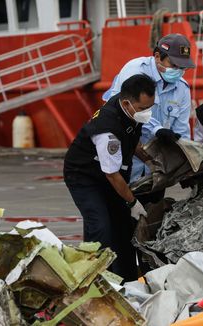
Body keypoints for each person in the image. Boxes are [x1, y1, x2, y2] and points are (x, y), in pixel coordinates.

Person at [64, 74, 156, 282]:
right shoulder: (108, 132)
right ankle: (93, 281)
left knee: (123, 227)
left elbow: (132, 142)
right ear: (127, 103)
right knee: (100, 225)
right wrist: (132, 202)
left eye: (150, 107)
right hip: (83, 175)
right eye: (143, 109)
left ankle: (126, 281)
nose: (147, 113)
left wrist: (154, 163)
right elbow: (112, 175)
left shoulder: (130, 112)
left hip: (107, 173)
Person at [103, 33, 195, 203]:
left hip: (156, 167)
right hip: (125, 158)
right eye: (174, 65)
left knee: (152, 216)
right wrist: (157, 129)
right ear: (158, 56)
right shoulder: (135, 70)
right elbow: (126, 110)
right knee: (117, 214)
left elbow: (181, 130)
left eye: (183, 67)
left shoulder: (182, 88)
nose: (179, 71)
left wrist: (187, 163)